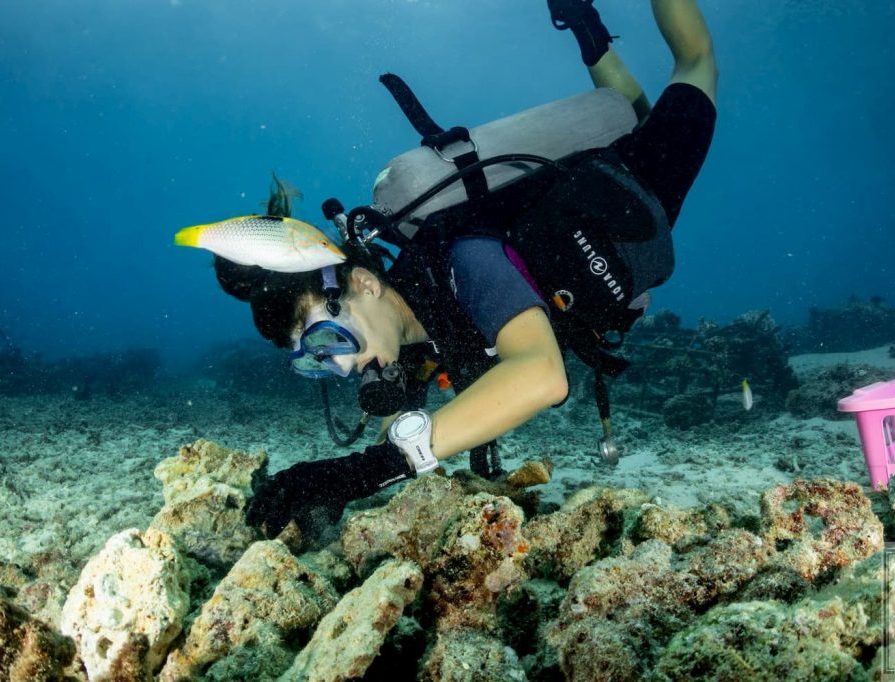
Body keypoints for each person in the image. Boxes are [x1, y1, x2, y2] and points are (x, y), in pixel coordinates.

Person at [214, 0, 718, 538]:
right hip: (604, 255)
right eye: (315, 362)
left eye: (331, 340)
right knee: (638, 111)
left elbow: (542, 376)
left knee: (695, 65)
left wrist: (368, 469)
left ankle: (588, 30)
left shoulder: (463, 260)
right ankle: (590, 32)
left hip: (635, 189)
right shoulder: (401, 337)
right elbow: (410, 433)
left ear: (363, 283)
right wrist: (341, 487)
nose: (340, 367)